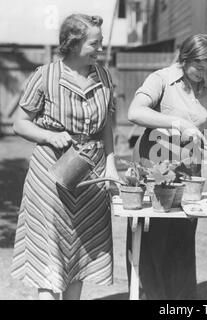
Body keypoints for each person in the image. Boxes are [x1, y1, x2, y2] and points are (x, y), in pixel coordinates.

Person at [11, 14, 120, 300]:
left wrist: (111, 164)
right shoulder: (45, 76)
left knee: (80, 253)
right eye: (94, 43)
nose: (101, 48)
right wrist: (48, 135)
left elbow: (108, 125)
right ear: (73, 44)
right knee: (50, 250)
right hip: (51, 175)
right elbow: (20, 123)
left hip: (91, 177)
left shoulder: (104, 76)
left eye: (101, 42)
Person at [127, 34, 207, 299]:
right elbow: (135, 112)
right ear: (184, 58)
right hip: (154, 168)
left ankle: (180, 301)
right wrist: (176, 123)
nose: (203, 74)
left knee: (181, 241)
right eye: (198, 67)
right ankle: (150, 296)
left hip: (190, 172)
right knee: (151, 241)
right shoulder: (161, 79)